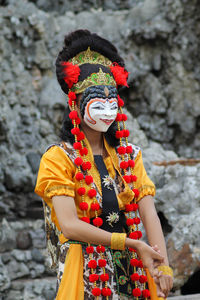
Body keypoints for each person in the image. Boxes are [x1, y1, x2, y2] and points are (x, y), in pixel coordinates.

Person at [35, 30, 173, 300]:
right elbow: (69, 225)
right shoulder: (58, 158)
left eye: (113, 104)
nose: (108, 113)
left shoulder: (129, 155)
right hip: (86, 268)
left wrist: (163, 264)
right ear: (75, 104)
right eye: (99, 105)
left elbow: (149, 214)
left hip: (133, 267)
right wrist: (131, 242)